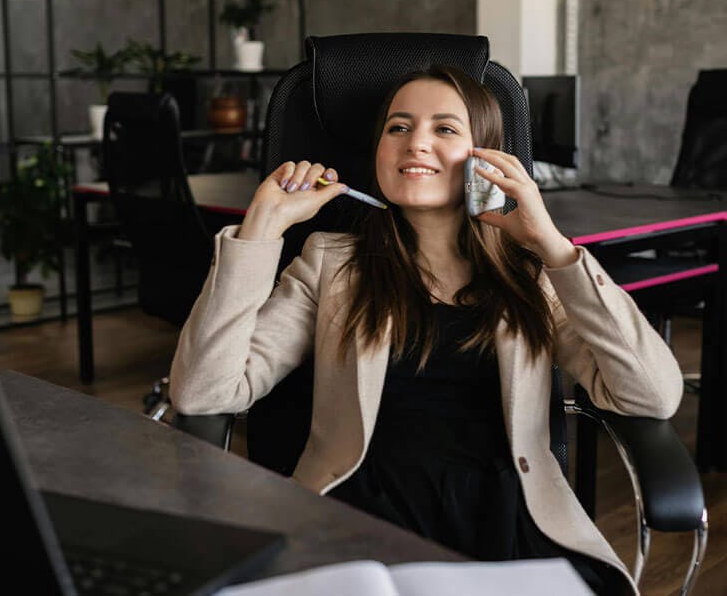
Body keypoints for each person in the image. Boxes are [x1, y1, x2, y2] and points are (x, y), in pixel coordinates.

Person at [170, 65, 683, 595]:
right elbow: (206, 390)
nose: (415, 143)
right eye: (398, 127)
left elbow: (651, 394)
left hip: (510, 518)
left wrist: (555, 248)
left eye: (444, 128)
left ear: (487, 159)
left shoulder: (530, 276)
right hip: (359, 512)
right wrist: (259, 232)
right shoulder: (331, 263)